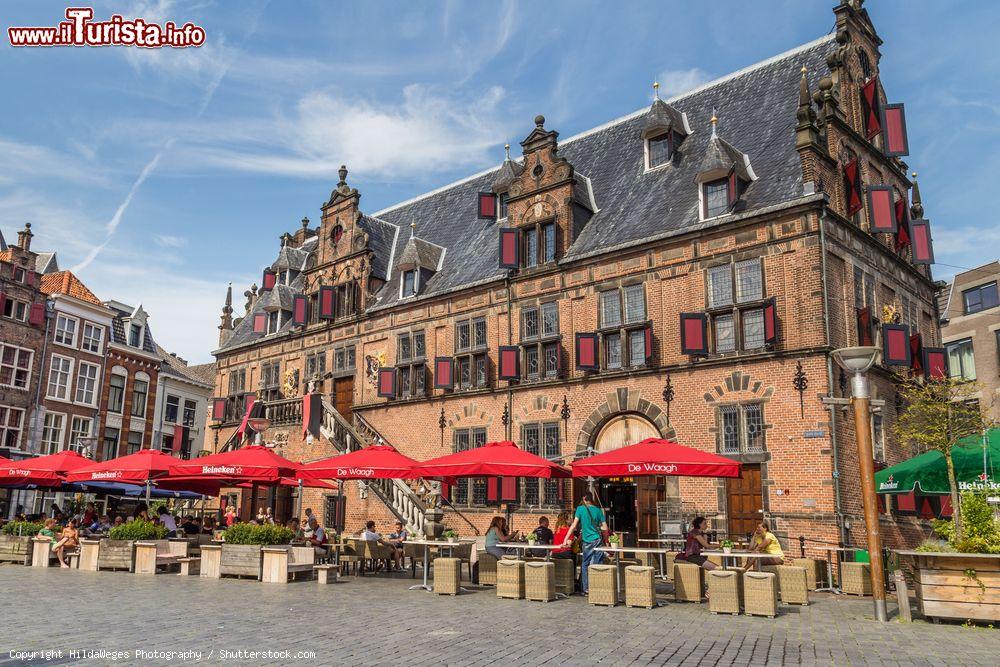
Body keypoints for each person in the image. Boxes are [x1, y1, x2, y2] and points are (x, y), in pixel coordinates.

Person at [562, 492, 609, 594]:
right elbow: (605, 528)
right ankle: (597, 587)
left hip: (587, 541)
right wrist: (605, 539)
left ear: (584, 499)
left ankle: (586, 589)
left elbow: (574, 525)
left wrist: (565, 539)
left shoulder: (580, 509)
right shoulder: (598, 510)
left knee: (585, 564)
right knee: (597, 564)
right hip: (597, 540)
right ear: (591, 499)